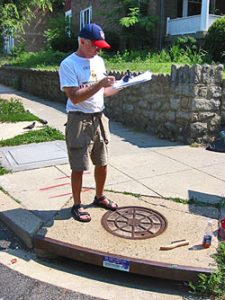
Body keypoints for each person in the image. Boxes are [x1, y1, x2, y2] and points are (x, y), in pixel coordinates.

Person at [59, 23, 121, 222]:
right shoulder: (68, 64)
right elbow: (75, 97)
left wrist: (121, 86)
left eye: (100, 46)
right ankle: (77, 205)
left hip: (99, 117)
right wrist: (100, 84)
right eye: (95, 45)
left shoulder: (99, 61)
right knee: (78, 165)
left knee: (102, 162)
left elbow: (104, 92)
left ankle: (99, 196)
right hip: (79, 119)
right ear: (82, 41)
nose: (98, 49)